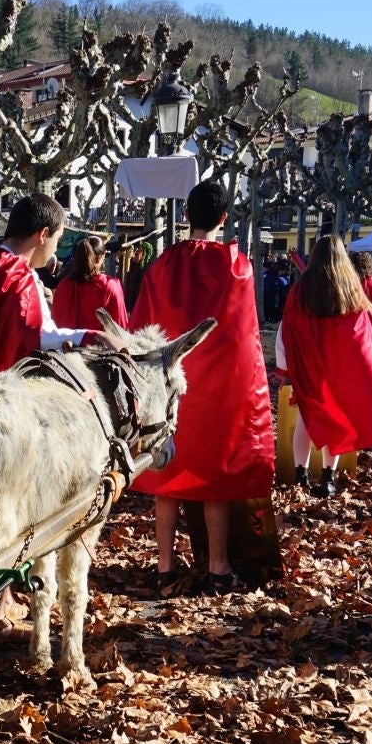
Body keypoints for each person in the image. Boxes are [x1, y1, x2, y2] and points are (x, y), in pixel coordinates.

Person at [127, 180, 274, 589]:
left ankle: (164, 567)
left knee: (167, 480)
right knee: (214, 480)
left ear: (186, 214)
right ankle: (218, 567)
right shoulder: (237, 267)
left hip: (172, 387)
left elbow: (143, 329)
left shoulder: (161, 266)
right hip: (221, 389)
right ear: (224, 219)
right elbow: (245, 337)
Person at [276, 235, 372, 497]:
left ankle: (301, 475)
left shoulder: (300, 290)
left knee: (305, 418)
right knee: (340, 421)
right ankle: (328, 477)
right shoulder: (351, 290)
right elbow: (362, 338)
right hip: (340, 369)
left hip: (308, 367)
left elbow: (286, 329)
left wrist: (285, 366)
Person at [0, 194, 117, 375]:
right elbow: (38, 337)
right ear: (43, 234)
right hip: (0, 390)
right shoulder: (20, 276)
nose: (55, 248)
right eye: (57, 239)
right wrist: (94, 336)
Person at [49, 235, 129, 333]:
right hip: (97, 347)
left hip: (61, 345)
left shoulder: (63, 285)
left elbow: (54, 322)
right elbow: (120, 328)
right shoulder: (110, 286)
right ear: (100, 258)